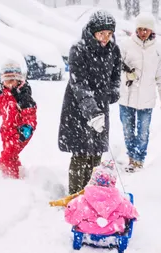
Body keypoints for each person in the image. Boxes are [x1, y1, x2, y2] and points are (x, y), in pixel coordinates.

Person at [58, 10, 122, 195]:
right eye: (101, 33)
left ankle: (91, 195)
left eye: (109, 34)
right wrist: (91, 111)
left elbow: (116, 75)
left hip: (100, 106)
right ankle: (76, 196)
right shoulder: (78, 49)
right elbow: (79, 84)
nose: (105, 38)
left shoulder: (114, 49)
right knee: (81, 152)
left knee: (96, 152)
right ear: (92, 31)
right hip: (78, 107)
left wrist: (113, 91)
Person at [118, 12, 161, 172]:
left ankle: (139, 160)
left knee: (142, 132)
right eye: (140, 29)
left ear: (152, 30)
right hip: (126, 97)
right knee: (128, 131)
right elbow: (115, 66)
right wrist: (126, 73)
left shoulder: (158, 50)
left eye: (146, 29)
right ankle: (131, 158)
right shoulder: (125, 45)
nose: (142, 32)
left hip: (146, 99)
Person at [64, 160, 139, 235]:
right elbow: (132, 212)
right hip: (111, 229)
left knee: (80, 216)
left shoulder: (82, 199)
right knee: (121, 218)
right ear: (113, 183)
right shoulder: (119, 200)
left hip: (88, 228)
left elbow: (70, 217)